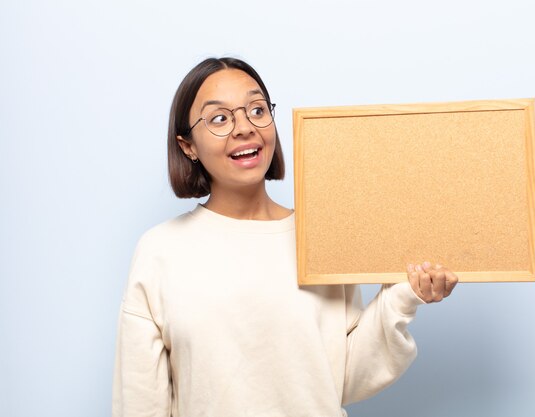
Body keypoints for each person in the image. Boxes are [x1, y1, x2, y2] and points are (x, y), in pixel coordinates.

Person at [112, 57, 458, 417]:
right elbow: (139, 401)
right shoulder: (160, 251)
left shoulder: (321, 236)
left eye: (257, 110)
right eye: (219, 118)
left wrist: (404, 296)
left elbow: (345, 377)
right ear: (188, 146)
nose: (244, 127)